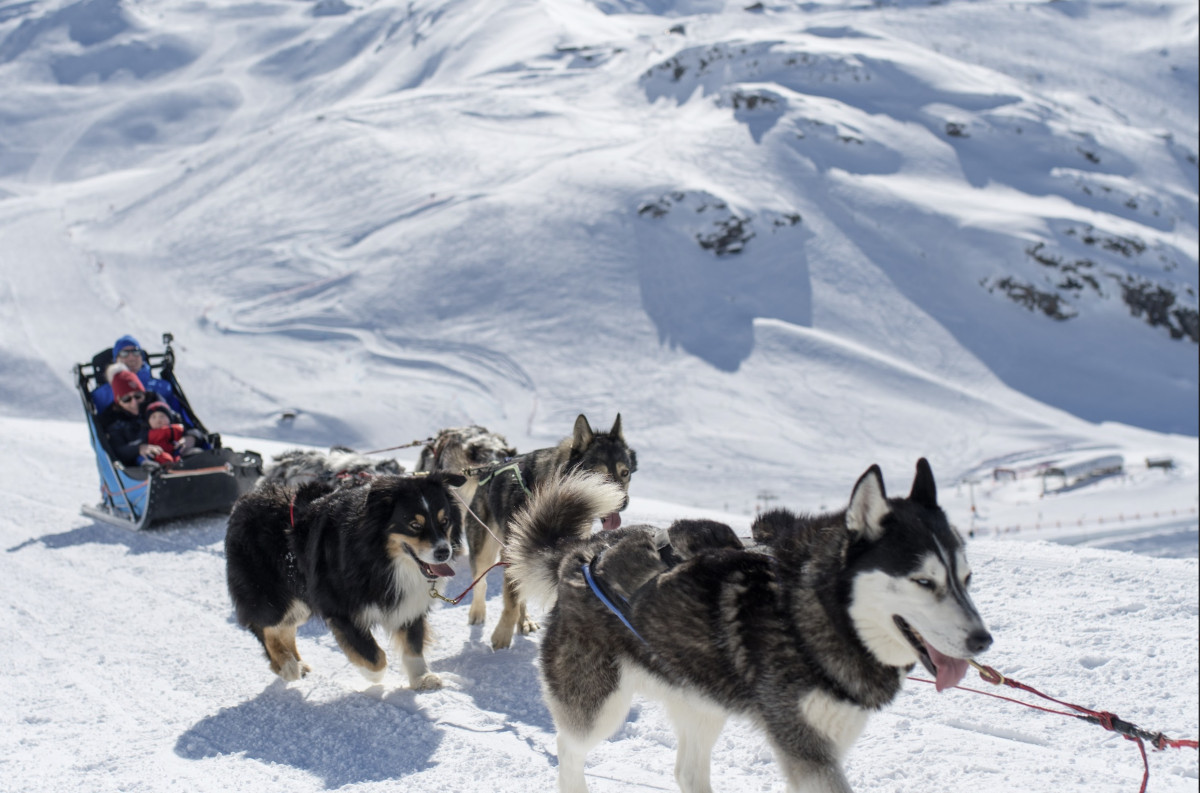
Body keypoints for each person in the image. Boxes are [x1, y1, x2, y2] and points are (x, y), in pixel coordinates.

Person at [91, 335, 184, 417]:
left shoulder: (163, 387)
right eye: (124, 353)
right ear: (116, 359)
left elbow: (180, 416)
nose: (131, 358)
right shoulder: (102, 395)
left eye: (136, 352)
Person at [98, 370, 162, 468]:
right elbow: (118, 450)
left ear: (144, 394)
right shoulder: (113, 420)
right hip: (139, 466)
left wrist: (191, 437)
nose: (134, 403)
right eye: (126, 399)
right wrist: (138, 449)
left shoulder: (156, 406)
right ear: (118, 401)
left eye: (138, 396)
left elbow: (178, 422)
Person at [143, 402, 187, 466]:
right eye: (153, 417)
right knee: (164, 458)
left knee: (191, 452)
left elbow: (186, 434)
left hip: (177, 451)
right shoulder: (146, 434)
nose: (158, 420)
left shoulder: (177, 428)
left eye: (162, 416)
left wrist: (184, 439)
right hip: (159, 454)